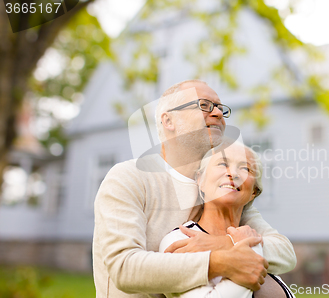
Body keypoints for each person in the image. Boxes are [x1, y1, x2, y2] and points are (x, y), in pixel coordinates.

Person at [93, 80, 296, 297]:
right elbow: (124, 268)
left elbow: (284, 252)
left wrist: (223, 243)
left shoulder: (222, 189)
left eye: (220, 107)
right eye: (204, 105)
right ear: (169, 120)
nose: (218, 113)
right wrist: (219, 261)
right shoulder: (129, 177)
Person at [159, 142, 295, 298]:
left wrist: (234, 242)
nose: (233, 173)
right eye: (222, 164)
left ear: (254, 192)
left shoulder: (251, 235)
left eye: (245, 168)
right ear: (200, 180)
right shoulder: (181, 240)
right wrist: (249, 247)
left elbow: (288, 255)